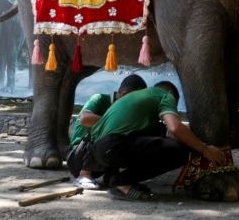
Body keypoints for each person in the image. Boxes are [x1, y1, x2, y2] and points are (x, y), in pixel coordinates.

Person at [91, 81, 228, 201]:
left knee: (154, 138)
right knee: (179, 152)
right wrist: (204, 149)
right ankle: (121, 183)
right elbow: (174, 127)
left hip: (98, 152)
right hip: (113, 146)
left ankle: (115, 177)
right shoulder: (165, 95)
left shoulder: (136, 98)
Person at [68, 74, 147, 189]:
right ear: (124, 94)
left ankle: (112, 176)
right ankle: (84, 175)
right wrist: (114, 122)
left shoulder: (129, 112)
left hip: (101, 161)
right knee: (108, 130)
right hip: (78, 158)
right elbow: (84, 119)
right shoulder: (100, 99)